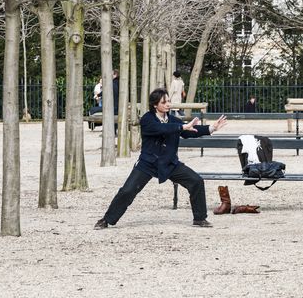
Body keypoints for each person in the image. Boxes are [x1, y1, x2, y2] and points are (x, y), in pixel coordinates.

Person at [94, 88, 228, 229]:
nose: (167, 104)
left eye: (168, 101)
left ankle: (200, 218)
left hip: (170, 163)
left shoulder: (173, 120)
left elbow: (190, 132)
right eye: (164, 102)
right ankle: (107, 220)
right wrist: (182, 126)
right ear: (155, 105)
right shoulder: (147, 119)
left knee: (196, 181)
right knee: (127, 191)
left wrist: (212, 128)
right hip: (147, 163)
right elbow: (161, 128)